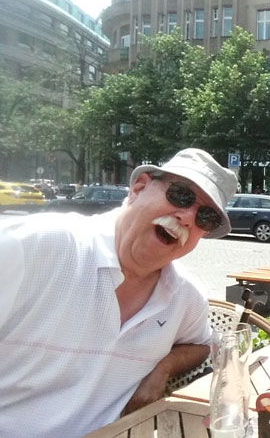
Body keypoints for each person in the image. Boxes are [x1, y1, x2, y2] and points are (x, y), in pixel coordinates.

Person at [0, 148, 237, 437]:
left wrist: (163, 368)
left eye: (206, 217)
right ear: (138, 188)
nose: (188, 217)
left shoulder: (186, 296)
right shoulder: (35, 247)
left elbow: (201, 344)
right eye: (182, 196)